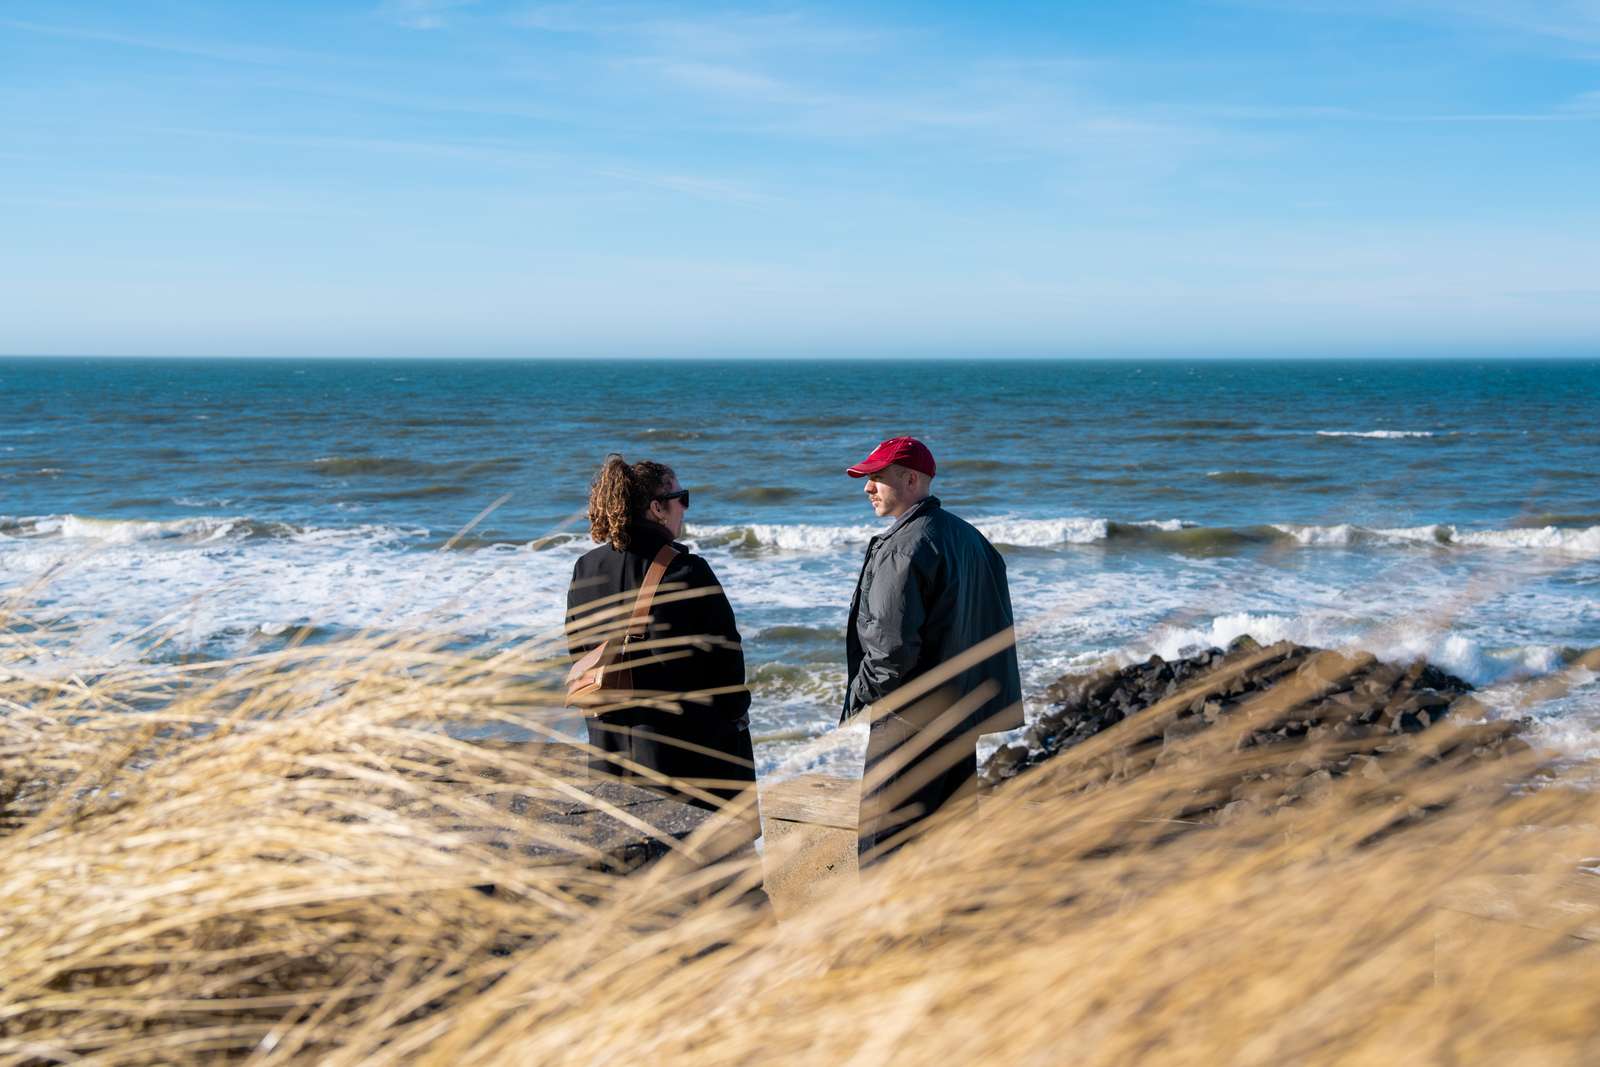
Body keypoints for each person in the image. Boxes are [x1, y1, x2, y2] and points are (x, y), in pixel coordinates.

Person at [841, 436, 1023, 862]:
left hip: (909, 717)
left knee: (881, 849)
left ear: (910, 479)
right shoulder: (968, 537)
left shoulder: (905, 545)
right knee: (947, 847)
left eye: (876, 478)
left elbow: (891, 651)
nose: (867, 488)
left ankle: (883, 931)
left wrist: (862, 694)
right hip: (958, 717)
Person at [566, 455, 756, 813]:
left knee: (626, 855)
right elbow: (726, 657)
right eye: (681, 497)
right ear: (656, 507)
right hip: (685, 750)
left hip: (609, 742)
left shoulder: (586, 567)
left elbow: (578, 651)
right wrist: (736, 716)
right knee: (708, 858)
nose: (684, 507)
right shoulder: (686, 569)